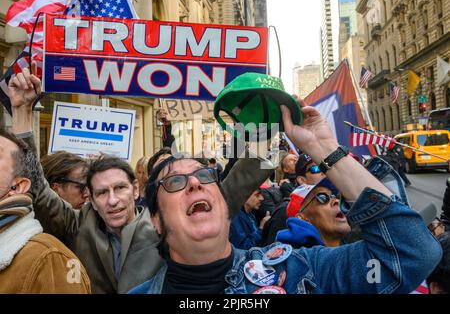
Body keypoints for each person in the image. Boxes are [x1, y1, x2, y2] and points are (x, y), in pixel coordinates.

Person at [129, 98, 442, 294]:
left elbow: (412, 254)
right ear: (156, 219)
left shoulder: (300, 271)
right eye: (175, 181)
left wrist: (323, 149)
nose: (195, 184)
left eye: (203, 175)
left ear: (224, 204)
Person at [9, 65, 273, 293]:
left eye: (120, 188)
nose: (113, 200)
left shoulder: (167, 221)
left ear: (136, 189)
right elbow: (38, 187)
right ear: (90, 197)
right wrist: (21, 113)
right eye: (102, 193)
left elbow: (239, 183)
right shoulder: (76, 225)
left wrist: (269, 120)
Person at [0, 128, 91, 293]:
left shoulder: (51, 260)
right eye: (82, 187)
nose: (88, 194)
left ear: (18, 186)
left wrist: (23, 112)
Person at [282, 179, 351, 247]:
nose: (337, 201)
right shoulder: (297, 255)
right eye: (323, 197)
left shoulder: (354, 248)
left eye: (337, 197)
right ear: (301, 218)